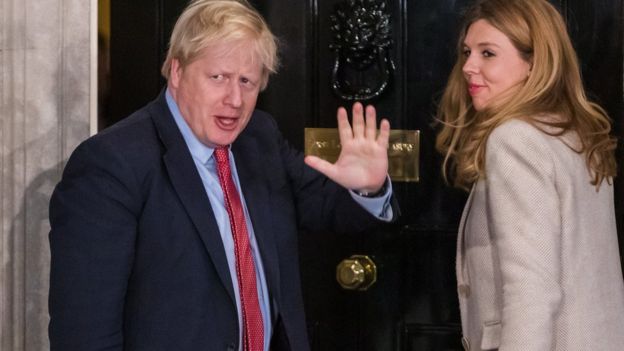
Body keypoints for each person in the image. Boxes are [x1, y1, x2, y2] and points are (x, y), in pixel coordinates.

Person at [48, 0, 398, 350]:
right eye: (219, 77)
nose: (235, 99)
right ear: (177, 72)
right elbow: (83, 333)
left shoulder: (260, 137)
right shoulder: (111, 163)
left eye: (247, 81)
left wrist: (368, 189)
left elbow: (327, 209)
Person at [435, 0, 624, 349]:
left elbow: (531, 290)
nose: (468, 66)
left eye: (487, 53)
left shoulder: (514, 140)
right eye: (467, 52)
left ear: (533, 63)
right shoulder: (575, 133)